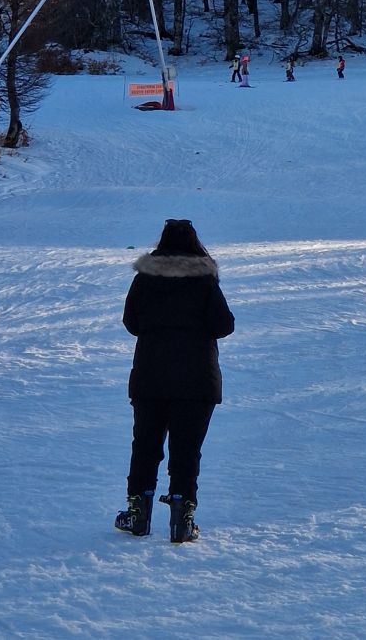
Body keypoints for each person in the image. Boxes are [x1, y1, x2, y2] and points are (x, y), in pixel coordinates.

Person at [118, 219, 235, 544]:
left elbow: (131, 322)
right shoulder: (205, 281)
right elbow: (224, 325)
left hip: (151, 376)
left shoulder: (145, 278)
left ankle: (137, 514)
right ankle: (182, 520)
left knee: (145, 446)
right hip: (197, 380)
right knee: (186, 450)